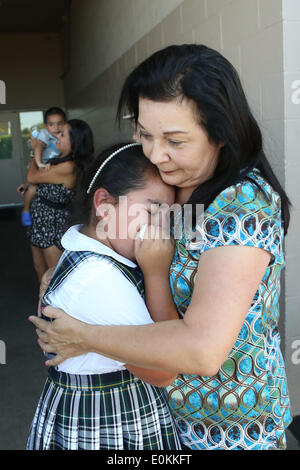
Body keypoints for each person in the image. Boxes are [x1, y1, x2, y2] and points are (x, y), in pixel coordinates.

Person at [29, 44, 292, 450]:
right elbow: (124, 237)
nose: (155, 153)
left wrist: (84, 334)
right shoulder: (178, 187)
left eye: (175, 140)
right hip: (168, 425)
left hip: (230, 434)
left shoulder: (241, 204)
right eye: (145, 134)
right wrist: (69, 274)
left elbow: (203, 351)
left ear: (220, 132)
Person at [27, 142, 181, 451]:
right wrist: (156, 274)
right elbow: (164, 369)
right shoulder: (100, 278)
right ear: (104, 205)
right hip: (107, 424)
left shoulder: (89, 253)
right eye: (151, 211)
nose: (160, 230)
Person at [27, 119, 94, 281]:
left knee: (53, 276)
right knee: (39, 269)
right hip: (40, 221)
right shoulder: (59, 159)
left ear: (75, 142)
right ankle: (43, 305)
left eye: (62, 134)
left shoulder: (69, 166)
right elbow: (37, 180)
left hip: (52, 225)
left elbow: (32, 176)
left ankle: (51, 306)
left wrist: (36, 149)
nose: (56, 135)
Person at [20, 107, 67, 227]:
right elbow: (38, 147)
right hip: (42, 165)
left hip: (52, 167)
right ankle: (25, 210)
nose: (56, 128)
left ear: (65, 124)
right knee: (33, 187)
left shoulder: (65, 136)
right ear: (46, 126)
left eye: (59, 124)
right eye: (51, 124)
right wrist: (39, 163)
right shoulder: (45, 134)